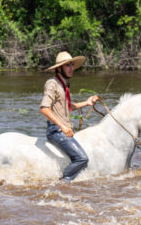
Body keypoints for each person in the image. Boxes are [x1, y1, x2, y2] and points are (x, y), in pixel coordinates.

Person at [39, 51, 99, 181]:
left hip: (63, 129)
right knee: (82, 158)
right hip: (56, 130)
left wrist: (87, 103)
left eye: (72, 65)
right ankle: (62, 182)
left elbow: (67, 106)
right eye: (68, 66)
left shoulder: (64, 83)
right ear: (59, 68)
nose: (71, 69)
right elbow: (44, 108)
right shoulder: (52, 83)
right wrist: (63, 127)